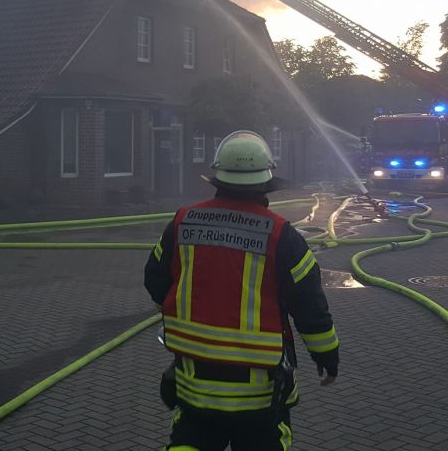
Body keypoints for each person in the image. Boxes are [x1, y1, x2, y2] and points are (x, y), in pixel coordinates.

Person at [145, 130, 340, 450]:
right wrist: (327, 358)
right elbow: (309, 308)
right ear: (265, 184)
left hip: (195, 389)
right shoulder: (281, 235)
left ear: (217, 179)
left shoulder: (183, 222)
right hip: (260, 398)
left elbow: (154, 278)